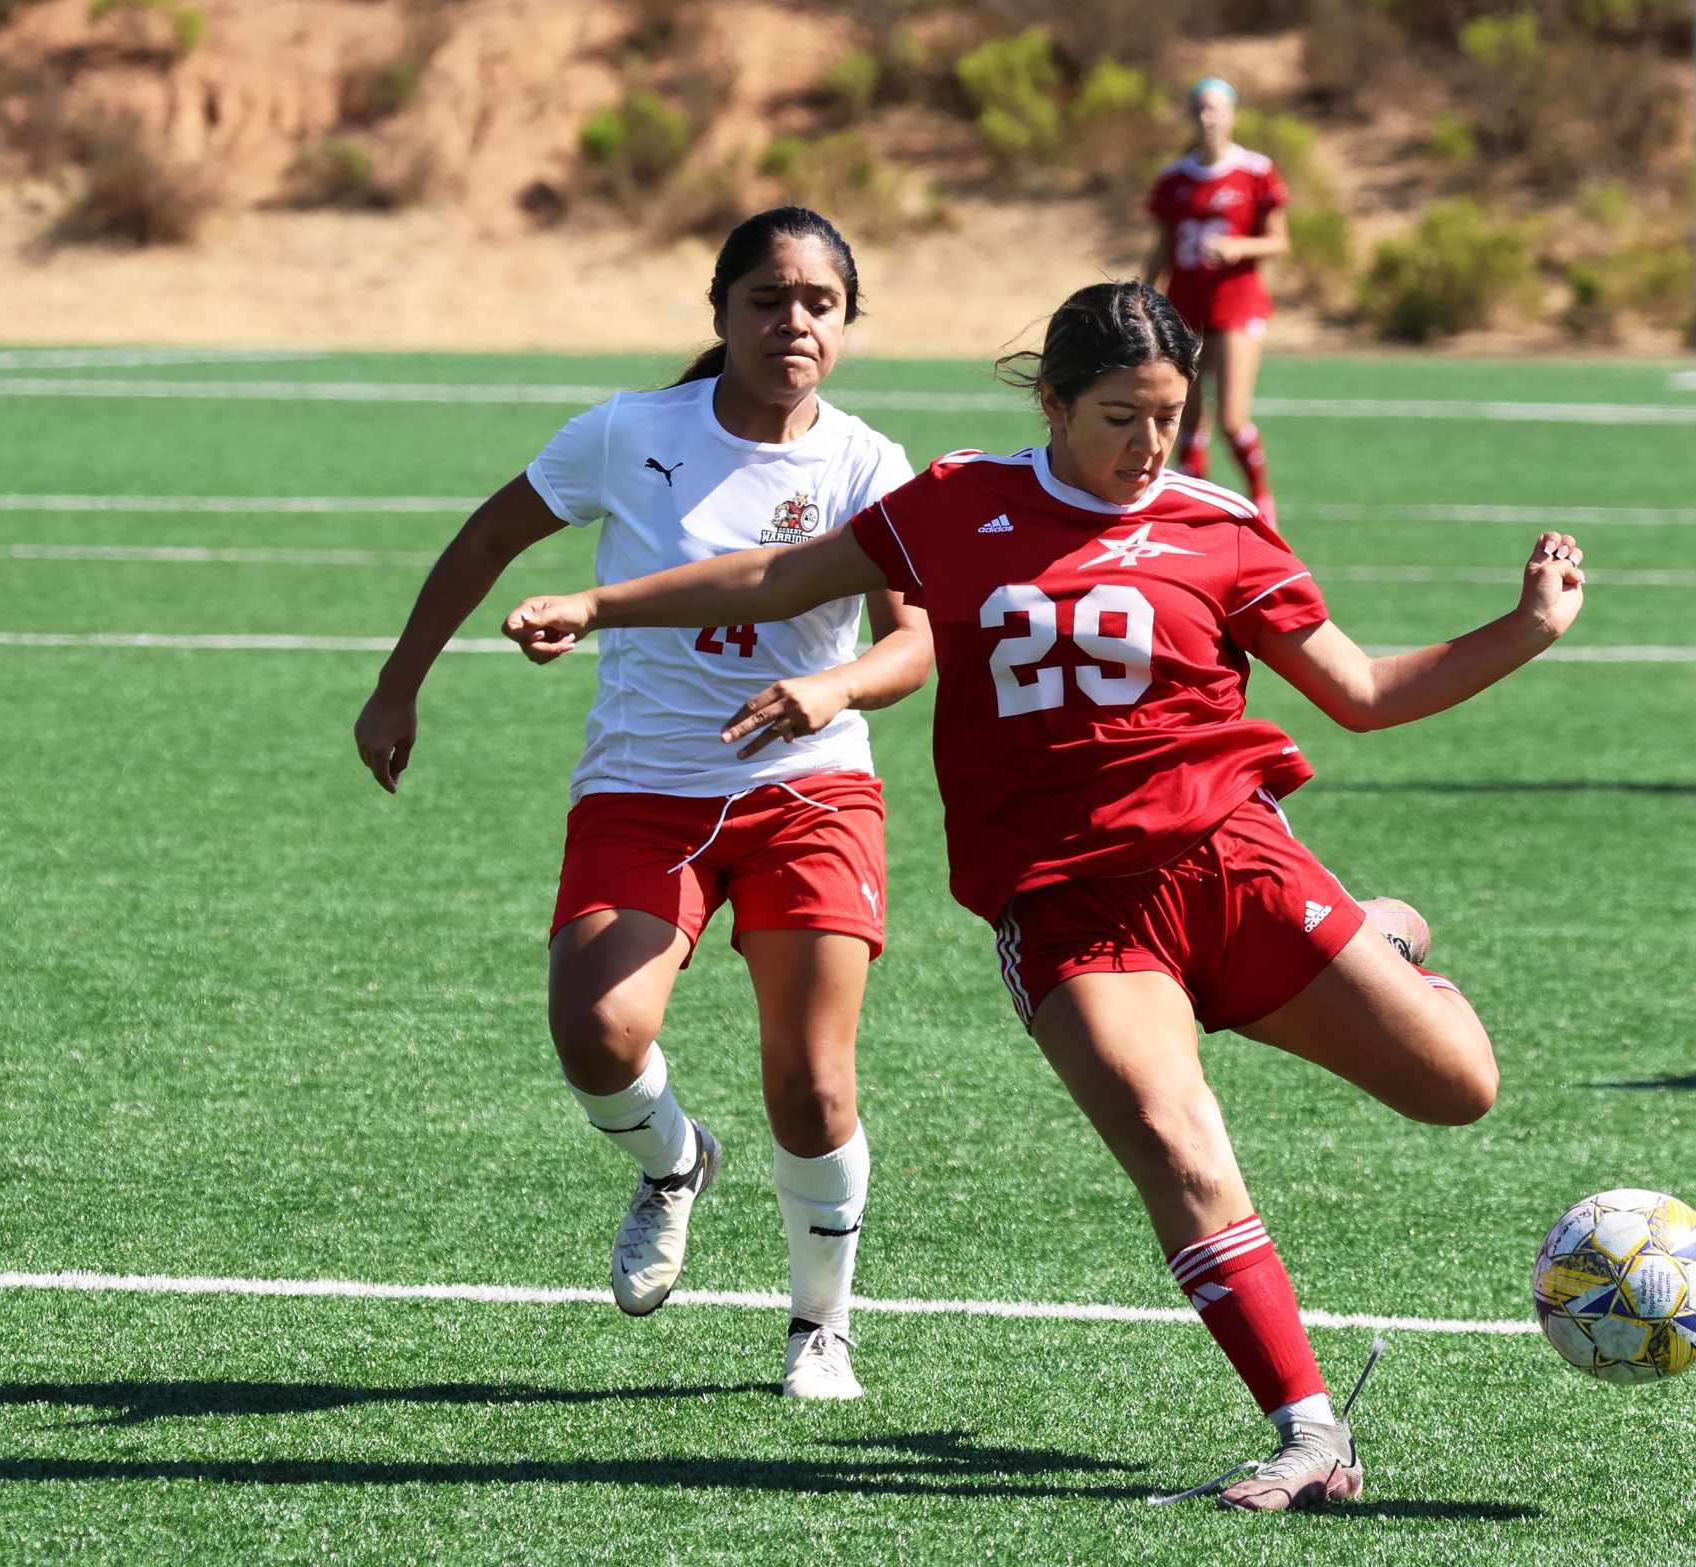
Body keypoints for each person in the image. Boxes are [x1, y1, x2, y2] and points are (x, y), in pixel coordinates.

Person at [500, 281, 1586, 1510]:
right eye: (1122, 415)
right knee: (1176, 1148)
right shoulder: (961, 503)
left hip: (1230, 865)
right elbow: (775, 577)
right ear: (1055, 403)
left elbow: (1362, 690)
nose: (1149, 445)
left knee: (1459, 1088)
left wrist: (1524, 629)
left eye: (1170, 417)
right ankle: (1308, 1429)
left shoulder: (1220, 528)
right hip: (1073, 914)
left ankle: (1378, 935)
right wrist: (596, 604)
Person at [353, 207, 931, 1400]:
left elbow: (913, 644)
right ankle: (676, 1166)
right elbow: (491, 535)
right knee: (597, 1032)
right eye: (767, 298)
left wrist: (832, 686)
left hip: (808, 791)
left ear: (847, 324)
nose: (793, 323)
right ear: (718, 310)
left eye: (819, 303)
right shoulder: (628, 433)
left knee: (812, 1081)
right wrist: (397, 683)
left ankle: (819, 1326)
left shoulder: (867, 465)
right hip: (645, 785)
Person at [1145, 77, 1291, 530]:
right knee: (1184, 416)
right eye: (1200, 109)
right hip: (1186, 306)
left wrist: (1238, 249)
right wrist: (1142, 295)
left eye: (1216, 109)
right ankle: (1194, 512)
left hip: (1238, 303)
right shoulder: (1174, 177)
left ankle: (1263, 501)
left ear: (1233, 115)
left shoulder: (1255, 170)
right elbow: (1162, 246)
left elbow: (1279, 240)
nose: (1208, 118)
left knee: (1230, 416)